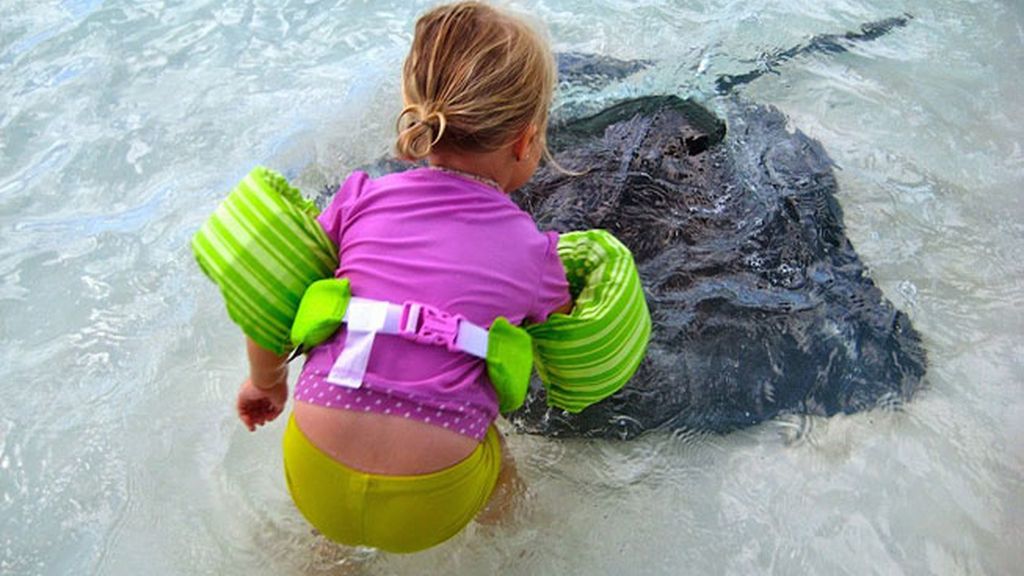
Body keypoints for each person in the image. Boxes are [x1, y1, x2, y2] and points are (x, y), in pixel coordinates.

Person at [235, 1, 571, 553]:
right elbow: (561, 340)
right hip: (435, 498)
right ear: (524, 141)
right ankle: (512, 542)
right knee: (496, 449)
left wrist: (265, 384)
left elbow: (271, 305)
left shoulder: (360, 199)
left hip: (312, 462)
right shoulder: (536, 253)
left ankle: (327, 555)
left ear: (415, 111)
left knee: (343, 412)